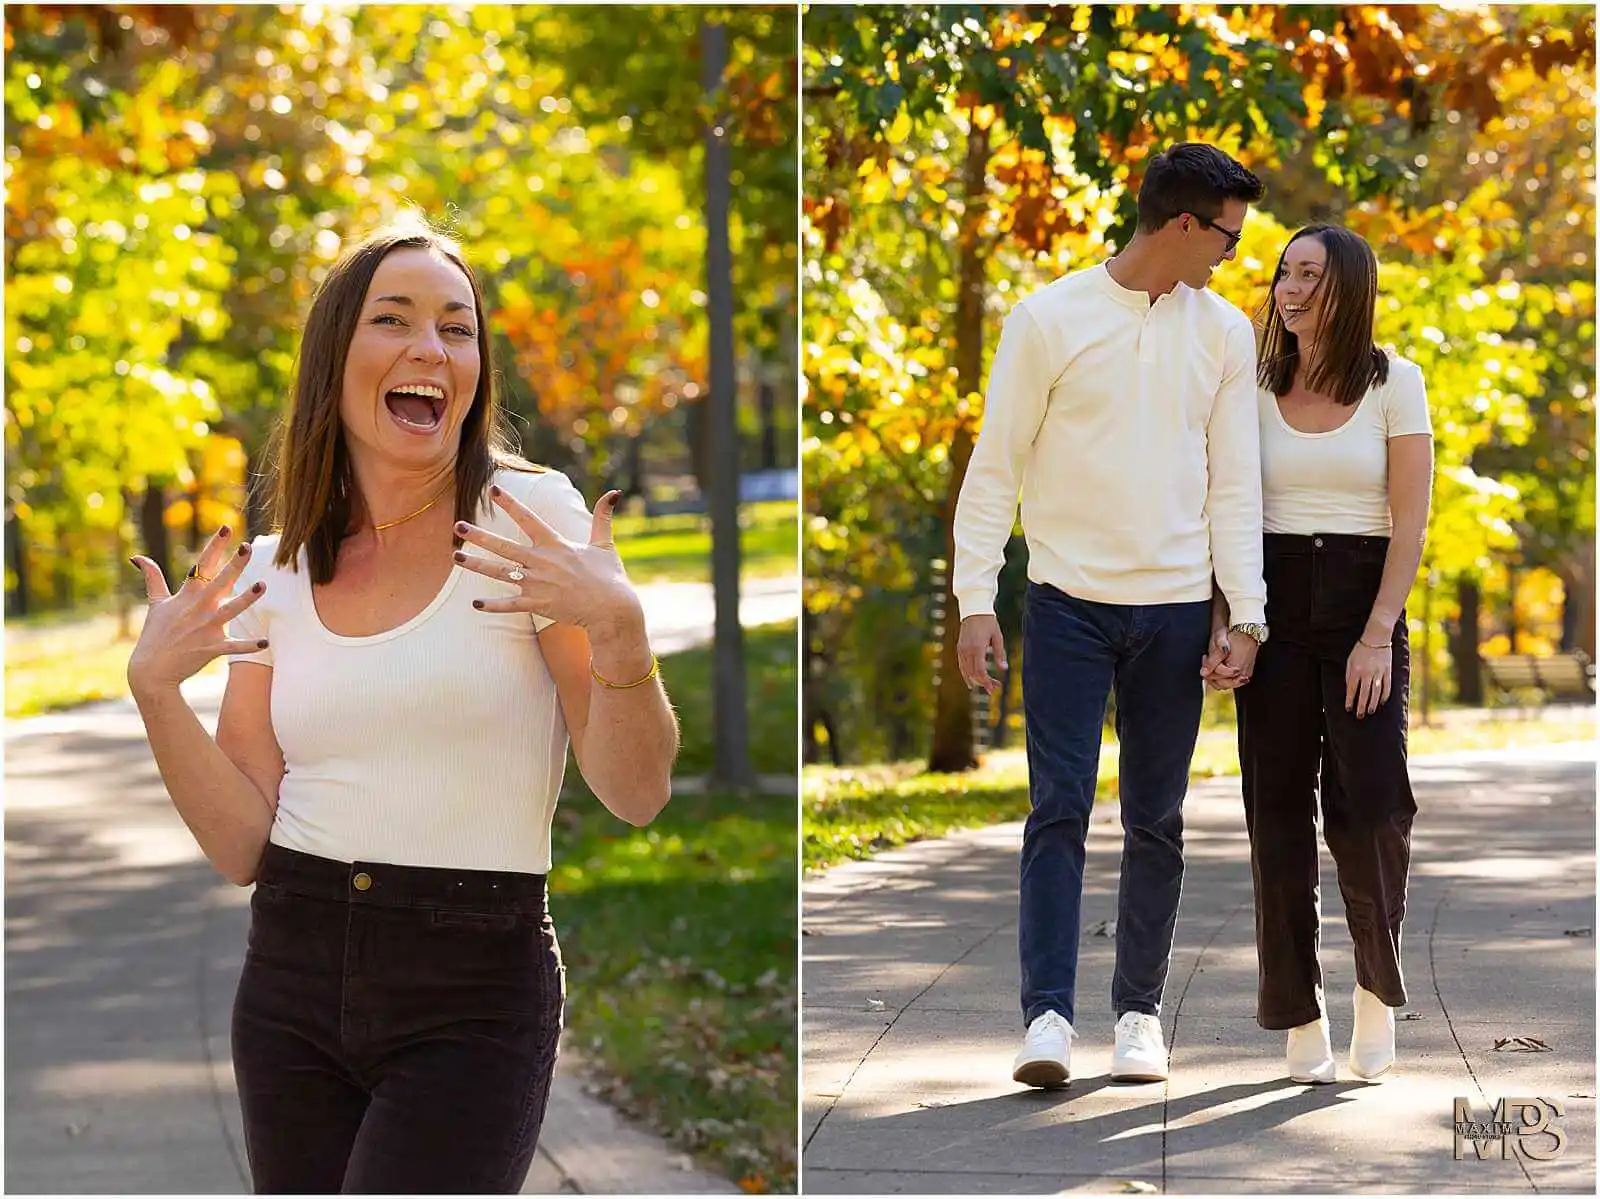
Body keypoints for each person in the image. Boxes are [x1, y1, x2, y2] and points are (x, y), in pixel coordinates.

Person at [126, 225, 679, 1193]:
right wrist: (156, 691)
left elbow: (636, 792)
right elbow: (239, 845)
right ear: (333, 359)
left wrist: (623, 636)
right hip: (290, 973)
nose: (432, 348)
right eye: (395, 319)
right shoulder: (276, 566)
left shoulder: (529, 520)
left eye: (457, 330)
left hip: (472, 987)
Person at [953, 143, 1268, 1089]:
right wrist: (976, 600)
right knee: (1058, 810)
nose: (1231, 253)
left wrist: (1243, 616)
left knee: (1157, 820)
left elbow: (1236, 485)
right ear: (1182, 224)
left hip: (1173, 610)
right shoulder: (1049, 318)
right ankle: (1047, 1017)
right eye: (1226, 235)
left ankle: (1138, 1016)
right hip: (1065, 606)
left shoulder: (1224, 333)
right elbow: (994, 466)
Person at [1203, 224, 1432, 1084]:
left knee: (1373, 809)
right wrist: (1229, 619)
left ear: (1348, 289)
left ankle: (1376, 992)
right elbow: (1227, 509)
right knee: (1277, 819)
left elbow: (1408, 521)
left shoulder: (1394, 383)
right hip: (1272, 607)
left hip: (1363, 606)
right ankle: (1301, 1010)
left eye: (1310, 273)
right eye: (1284, 272)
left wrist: (1377, 634)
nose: (1289, 288)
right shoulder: (1251, 387)